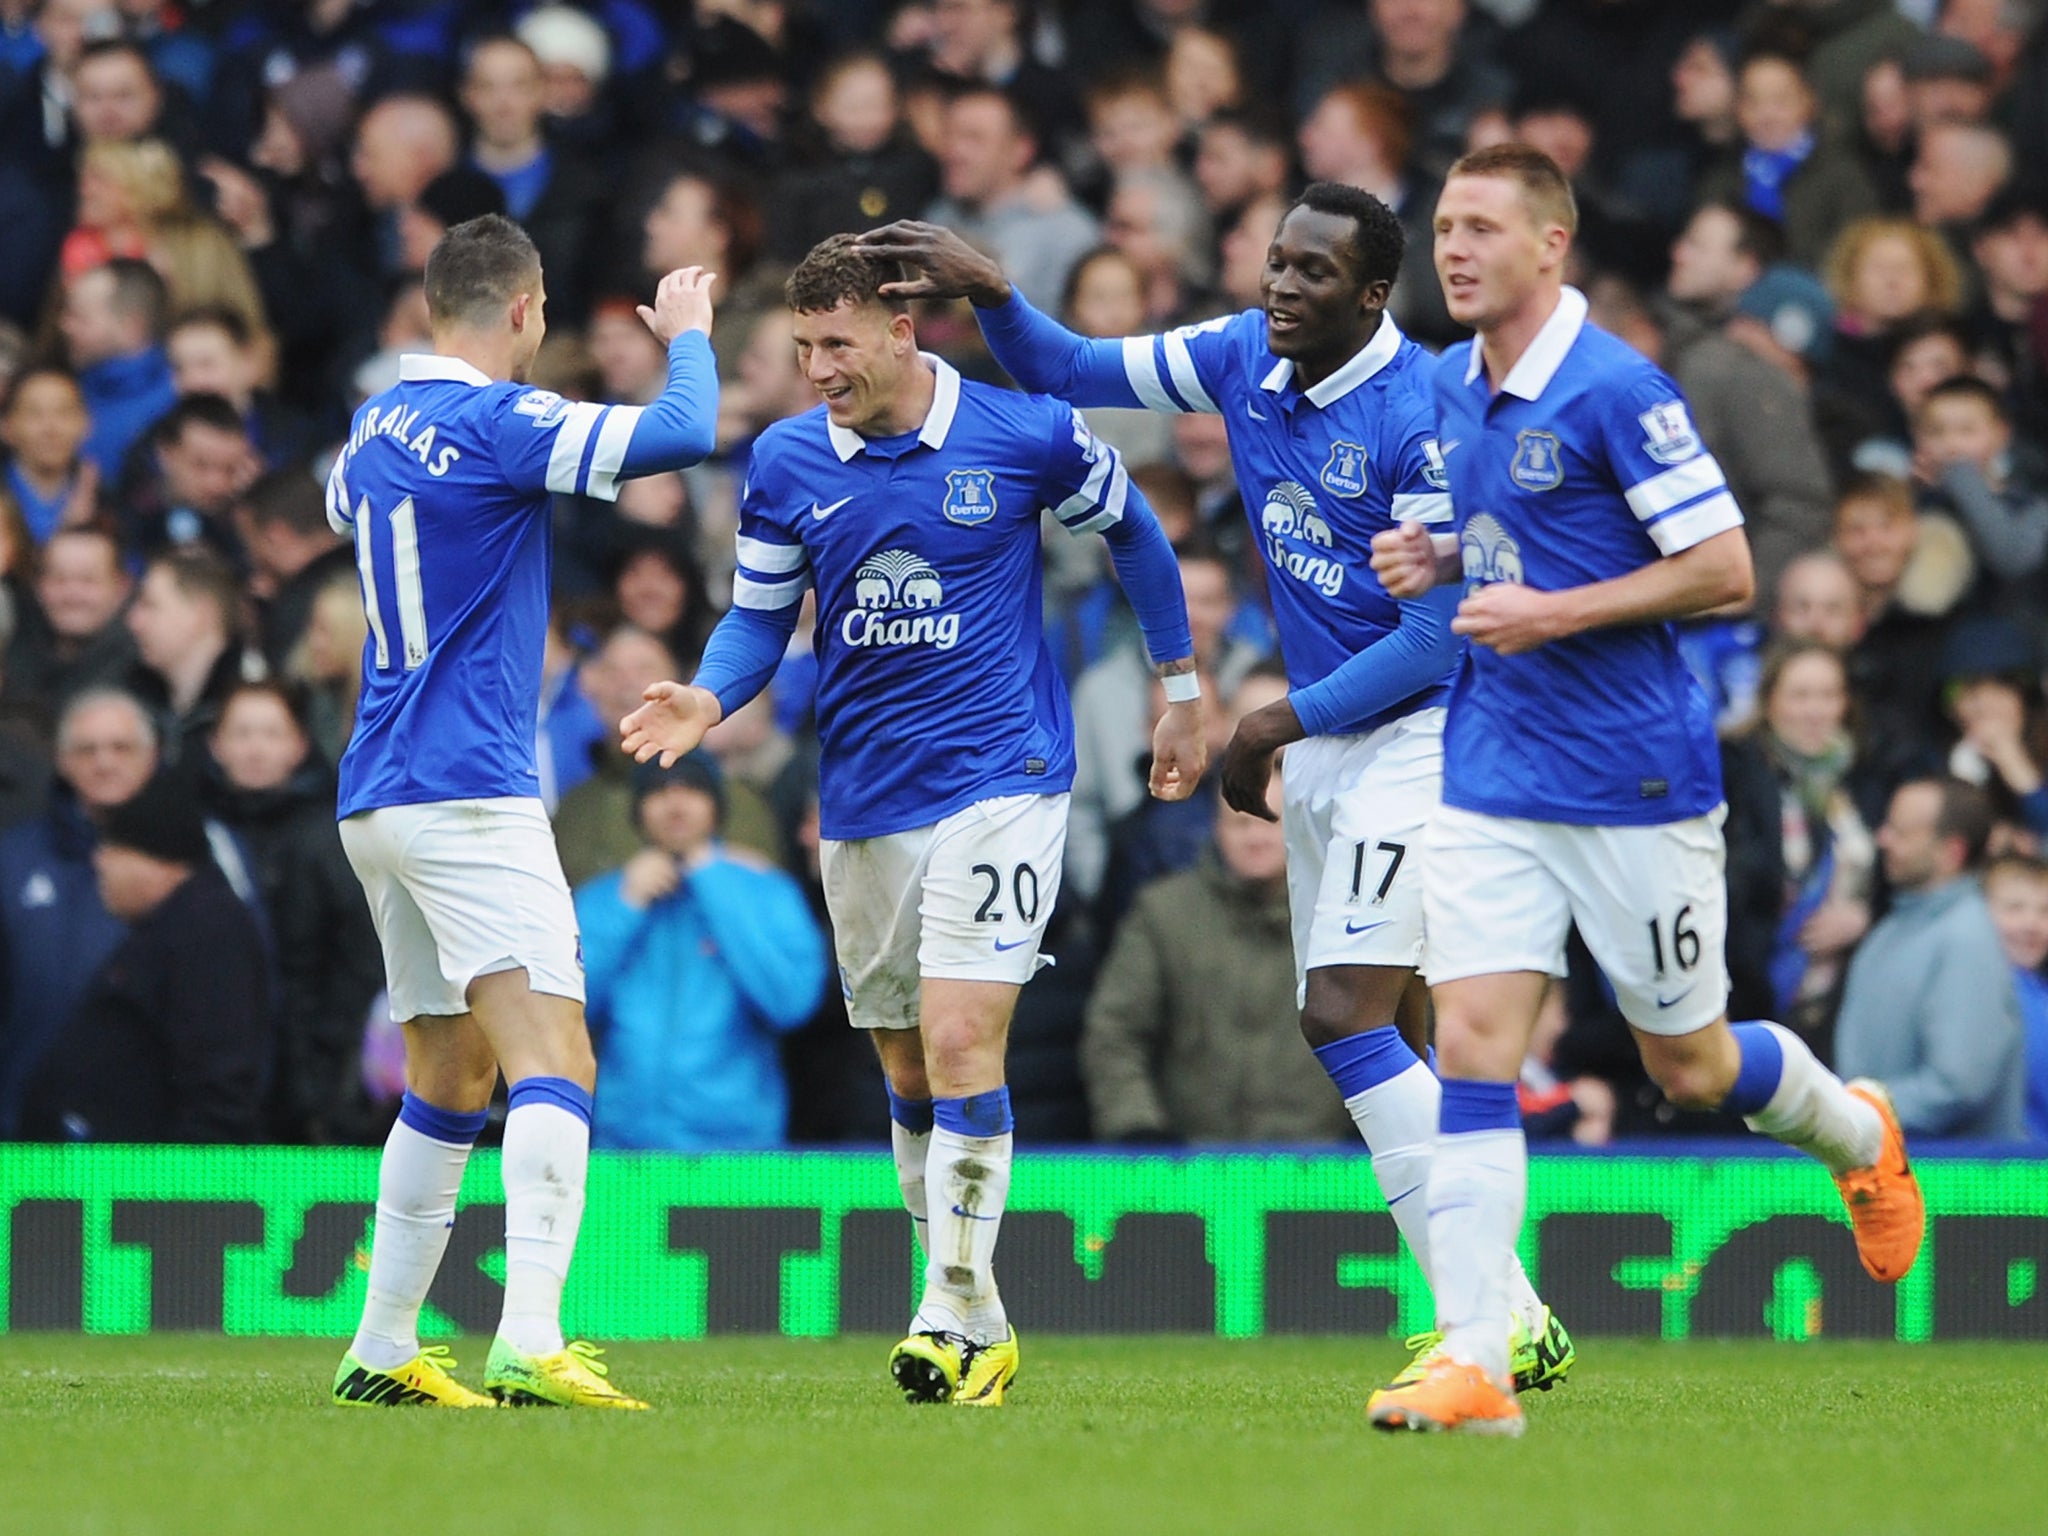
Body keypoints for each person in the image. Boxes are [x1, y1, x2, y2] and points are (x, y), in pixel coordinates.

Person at [861, 182, 1573, 1393]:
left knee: (1341, 1014)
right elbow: (1072, 366)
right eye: (1272, 262)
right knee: (1385, 1025)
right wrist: (992, 291)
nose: (1276, 287)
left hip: (1435, 736)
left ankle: (1483, 1316)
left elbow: (1434, 632)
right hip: (1336, 743)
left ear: (1367, 292)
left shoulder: (1422, 417)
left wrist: (1268, 722)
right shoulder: (1244, 354)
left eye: (1307, 273)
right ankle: (1510, 1309)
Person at [1365, 144, 1923, 1437]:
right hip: (1492, 765)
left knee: (1692, 1061)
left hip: (1636, 780)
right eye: (1444, 226)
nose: (1452, 249)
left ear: (1551, 246)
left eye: (1481, 228)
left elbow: (1726, 569)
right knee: (1474, 1049)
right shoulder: (1455, 384)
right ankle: (1474, 1362)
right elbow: (1515, 533)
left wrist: (1555, 613)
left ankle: (1857, 1134)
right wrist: (1437, 553)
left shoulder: (1622, 389)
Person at [619, 232, 1203, 1409]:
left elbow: (1134, 528)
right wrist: (708, 691)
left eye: (837, 343)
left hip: (1003, 780)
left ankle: (942, 1310)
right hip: (865, 802)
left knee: (956, 1042)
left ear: (903, 329)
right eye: (800, 348)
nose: (817, 367)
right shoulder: (785, 461)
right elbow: (757, 618)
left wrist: (1178, 684)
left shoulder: (1023, 429)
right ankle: (979, 1313)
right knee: (908, 1073)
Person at [323, 214, 719, 1411]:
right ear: (522, 309)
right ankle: (530, 1335)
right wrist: (689, 336)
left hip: (375, 794)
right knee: (556, 1056)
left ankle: (382, 1345)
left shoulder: (367, 432)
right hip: (470, 792)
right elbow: (683, 433)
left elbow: (365, 521)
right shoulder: (498, 420)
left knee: (448, 1071)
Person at [1082, 773, 1355, 1143]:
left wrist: (1375, 1134)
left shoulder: (1345, 921)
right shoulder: (1163, 914)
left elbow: (1404, 1034)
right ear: (1216, 828)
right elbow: (1115, 1033)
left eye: (1271, 821)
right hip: (1187, 1169)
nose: (1255, 837)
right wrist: (1138, 1131)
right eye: (1241, 822)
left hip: (1327, 1172)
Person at [574, 752, 826, 1150]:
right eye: (658, 791)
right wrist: (626, 906)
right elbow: (569, 1007)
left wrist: (713, 878)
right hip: (621, 1148)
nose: (675, 803)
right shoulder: (605, 898)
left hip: (737, 1150)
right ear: (638, 811)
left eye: (691, 789)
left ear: (716, 806)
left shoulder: (768, 891)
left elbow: (790, 1002)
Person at [20, 770, 270, 1143]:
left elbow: (218, 1083)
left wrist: (181, 1191)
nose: (99, 862)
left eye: (114, 849)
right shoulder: (174, 927)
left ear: (158, 861)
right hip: (112, 1177)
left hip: (146, 1187)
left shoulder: (206, 932)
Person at [203, 680, 383, 1144]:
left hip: (309, 1086)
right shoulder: (189, 835)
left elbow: (351, 969)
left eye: (271, 733)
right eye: (242, 733)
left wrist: (320, 1088)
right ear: (215, 744)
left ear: (299, 745)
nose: (256, 749)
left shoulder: (334, 840)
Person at [0, 688, 158, 1137]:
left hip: (154, 1149)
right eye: (86, 750)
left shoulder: (202, 856)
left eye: (120, 748)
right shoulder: (12, 858)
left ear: (153, 756)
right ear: (61, 760)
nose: (104, 763)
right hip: (23, 1133)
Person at [1835, 779, 2025, 1141]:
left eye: (1901, 832)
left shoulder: (1965, 938)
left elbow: (1958, 1085)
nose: (1883, 839)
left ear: (1950, 852)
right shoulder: (1890, 930)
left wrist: (1843, 1114)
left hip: (1951, 1186)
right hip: (1886, 1175)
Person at [1981, 853, 2048, 1142]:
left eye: (2045, 911)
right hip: (2007, 1167)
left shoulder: (2037, 994)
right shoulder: (1987, 994)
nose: (2032, 923)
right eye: (2014, 908)